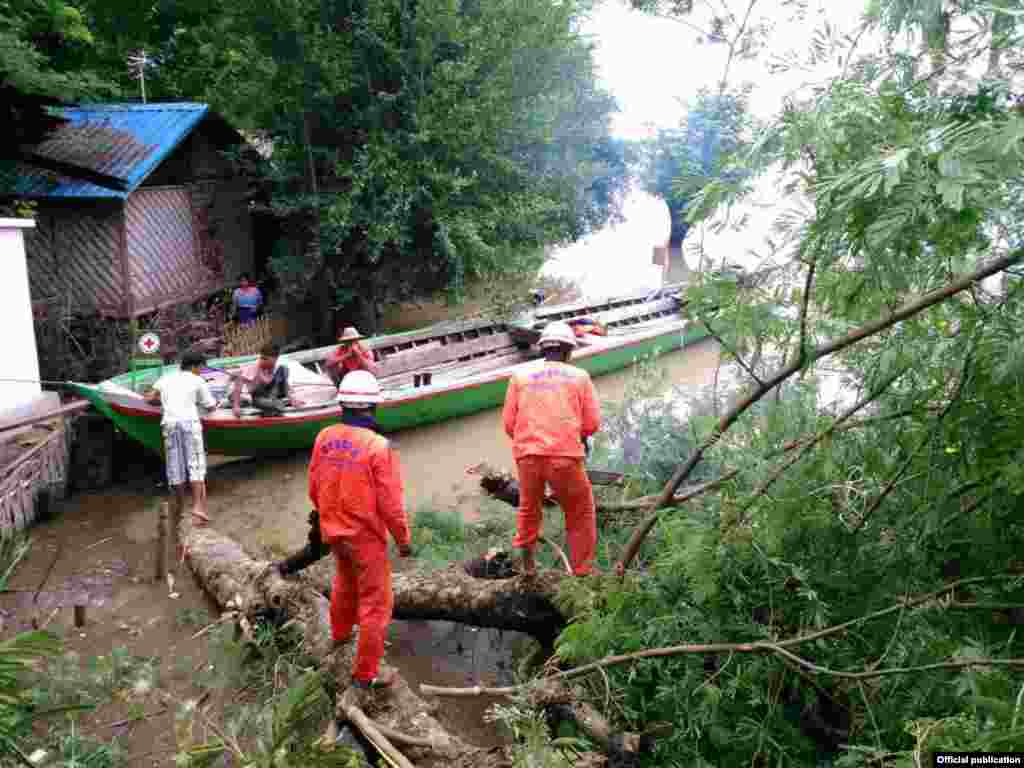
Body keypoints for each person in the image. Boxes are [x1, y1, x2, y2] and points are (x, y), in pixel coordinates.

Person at [308, 370, 412, 689]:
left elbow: (314, 488)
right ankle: (366, 675)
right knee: (376, 604)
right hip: (364, 537)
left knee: (344, 582)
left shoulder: (323, 437)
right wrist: (403, 540)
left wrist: (329, 515)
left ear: (343, 405)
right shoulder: (378, 446)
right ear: (372, 407)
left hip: (333, 531)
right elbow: (391, 505)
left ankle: (339, 637)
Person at [502, 321, 601, 577]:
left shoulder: (519, 377)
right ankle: (581, 573)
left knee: (528, 508)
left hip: (528, 456)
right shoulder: (580, 377)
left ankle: (528, 568)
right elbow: (591, 425)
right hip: (565, 457)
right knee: (580, 513)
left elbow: (509, 425)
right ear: (569, 351)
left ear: (542, 349)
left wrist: (532, 442)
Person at [144, 350, 218, 526]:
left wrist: (165, 402)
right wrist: (213, 405)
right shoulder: (197, 379)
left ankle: (180, 509)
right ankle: (198, 507)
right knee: (196, 464)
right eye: (201, 368)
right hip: (189, 423)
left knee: (175, 467)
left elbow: (149, 398)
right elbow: (210, 406)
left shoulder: (166, 378)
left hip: (169, 424)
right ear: (194, 367)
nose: (201, 372)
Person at [231, 342, 306, 417]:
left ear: (276, 358)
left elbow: (284, 384)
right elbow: (239, 382)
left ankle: (281, 402)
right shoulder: (254, 368)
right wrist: (236, 406)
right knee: (277, 406)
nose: (274, 363)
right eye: (264, 359)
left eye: (275, 360)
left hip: (273, 395)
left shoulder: (276, 366)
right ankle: (274, 404)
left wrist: (292, 399)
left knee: (283, 369)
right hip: (260, 398)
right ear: (264, 358)